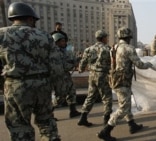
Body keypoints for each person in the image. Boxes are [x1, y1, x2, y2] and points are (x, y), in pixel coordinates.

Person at [0, 2, 62, 141]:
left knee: (20, 127)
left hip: (16, 86)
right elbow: (56, 67)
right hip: (43, 86)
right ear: (30, 18)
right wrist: (60, 91)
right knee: (47, 123)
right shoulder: (45, 36)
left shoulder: (2, 35)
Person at [97, 27, 153, 141]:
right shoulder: (129, 48)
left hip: (114, 79)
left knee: (125, 103)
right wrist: (150, 64)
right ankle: (106, 131)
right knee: (123, 108)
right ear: (128, 37)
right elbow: (140, 65)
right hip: (123, 81)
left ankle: (132, 125)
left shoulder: (114, 47)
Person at [77, 30, 113, 127]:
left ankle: (83, 117)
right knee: (107, 97)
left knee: (90, 96)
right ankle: (107, 119)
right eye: (106, 37)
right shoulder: (107, 49)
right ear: (103, 38)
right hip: (103, 75)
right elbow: (112, 63)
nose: (107, 39)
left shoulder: (88, 49)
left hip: (92, 75)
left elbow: (83, 63)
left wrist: (80, 69)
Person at [51, 33, 81, 118]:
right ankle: (49, 113)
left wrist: (76, 60)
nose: (65, 43)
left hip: (66, 76)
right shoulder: (55, 53)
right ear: (56, 42)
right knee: (60, 97)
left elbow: (69, 60)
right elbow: (64, 66)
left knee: (72, 92)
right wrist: (73, 65)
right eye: (63, 41)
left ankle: (73, 111)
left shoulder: (63, 51)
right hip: (59, 77)